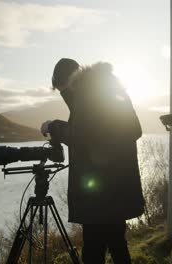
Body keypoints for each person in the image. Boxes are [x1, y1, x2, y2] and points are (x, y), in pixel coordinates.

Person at [41, 58, 145, 263]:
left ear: (69, 82)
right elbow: (131, 130)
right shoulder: (108, 88)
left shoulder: (87, 94)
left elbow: (81, 136)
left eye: (63, 91)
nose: (65, 96)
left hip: (99, 193)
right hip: (118, 187)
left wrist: (52, 126)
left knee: (93, 250)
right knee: (117, 242)